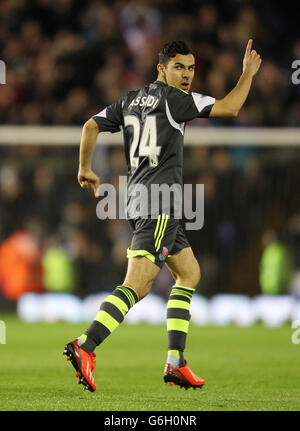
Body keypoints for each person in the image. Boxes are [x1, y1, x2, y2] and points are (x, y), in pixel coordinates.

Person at [63, 40, 261, 392]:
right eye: (179, 67)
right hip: (159, 205)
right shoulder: (178, 101)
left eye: (190, 68)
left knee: (189, 273)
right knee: (137, 286)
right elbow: (230, 109)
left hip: (145, 200)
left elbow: (90, 126)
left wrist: (85, 168)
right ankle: (85, 346)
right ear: (162, 69)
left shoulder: (128, 100)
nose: (186, 75)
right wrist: (247, 74)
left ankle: (176, 362)